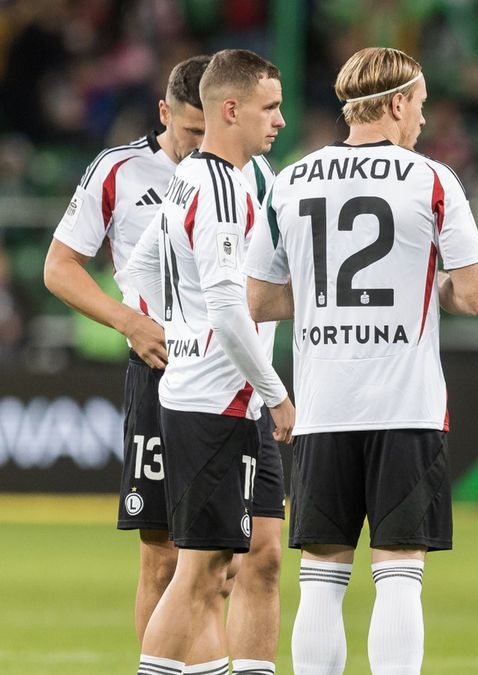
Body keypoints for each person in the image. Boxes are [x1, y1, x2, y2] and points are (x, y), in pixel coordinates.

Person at [243, 47, 478, 674]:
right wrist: (422, 286)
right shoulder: (431, 178)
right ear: (399, 103)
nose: (424, 123)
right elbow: (476, 293)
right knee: (400, 572)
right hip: (404, 405)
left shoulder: (291, 179)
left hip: (324, 403)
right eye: (423, 107)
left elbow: (259, 299)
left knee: (322, 575)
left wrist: (326, 300)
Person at [43, 54, 287, 674]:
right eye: (188, 129)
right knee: (174, 558)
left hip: (233, 379)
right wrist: (140, 321)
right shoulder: (127, 171)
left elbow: (247, 281)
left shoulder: (254, 175)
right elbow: (61, 267)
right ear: (172, 113)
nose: (196, 142)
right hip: (183, 377)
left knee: (257, 554)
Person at [125, 48, 294, 675]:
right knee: (200, 571)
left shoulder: (224, 176)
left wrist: (170, 324)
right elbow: (226, 308)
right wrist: (276, 392)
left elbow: (142, 267)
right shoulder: (218, 187)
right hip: (217, 398)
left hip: (229, 395)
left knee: (259, 556)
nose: (280, 120)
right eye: (269, 107)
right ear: (231, 109)